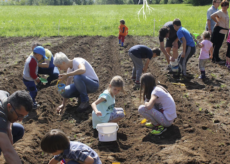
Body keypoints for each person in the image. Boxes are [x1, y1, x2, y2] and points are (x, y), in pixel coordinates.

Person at [0, 90, 33, 164]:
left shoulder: (6, 95)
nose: (20, 120)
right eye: (20, 115)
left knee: (18, 129)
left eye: (23, 116)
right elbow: (8, 152)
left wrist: (8, 127)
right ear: (9, 107)